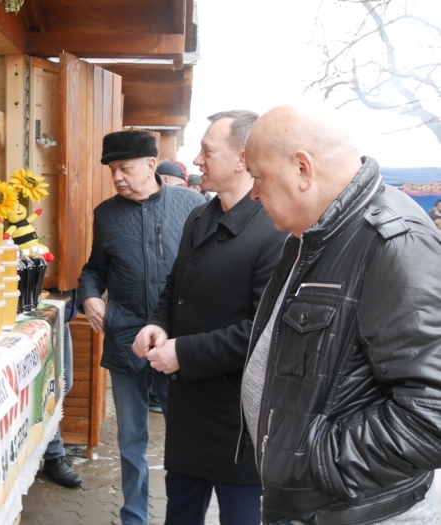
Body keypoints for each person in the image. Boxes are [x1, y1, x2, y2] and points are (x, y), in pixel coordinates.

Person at [239, 104, 441, 525]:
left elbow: (430, 414)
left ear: (302, 169)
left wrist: (311, 461)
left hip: (352, 513)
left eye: (257, 176)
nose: (253, 193)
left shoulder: (395, 245)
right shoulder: (312, 232)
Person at [132, 110, 288, 525]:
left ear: (242, 158)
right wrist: (158, 324)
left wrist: (184, 351)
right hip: (187, 411)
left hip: (237, 421)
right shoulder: (201, 215)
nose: (197, 160)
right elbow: (174, 286)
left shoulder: (274, 230)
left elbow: (262, 331)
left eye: (207, 151)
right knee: (180, 514)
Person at [77, 130, 204, 525]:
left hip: (178, 343)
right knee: (131, 439)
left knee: (185, 441)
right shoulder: (106, 214)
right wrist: (90, 295)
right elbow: (94, 269)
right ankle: (134, 517)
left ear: (151, 165)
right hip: (125, 340)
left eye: (124, 168)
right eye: (113, 169)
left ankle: (182, 517)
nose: (117, 177)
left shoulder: (192, 205)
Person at [41, 288, 82, 487]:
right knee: (51, 390)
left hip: (61, 313)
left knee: (63, 383)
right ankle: (54, 456)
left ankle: (50, 451)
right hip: (42, 315)